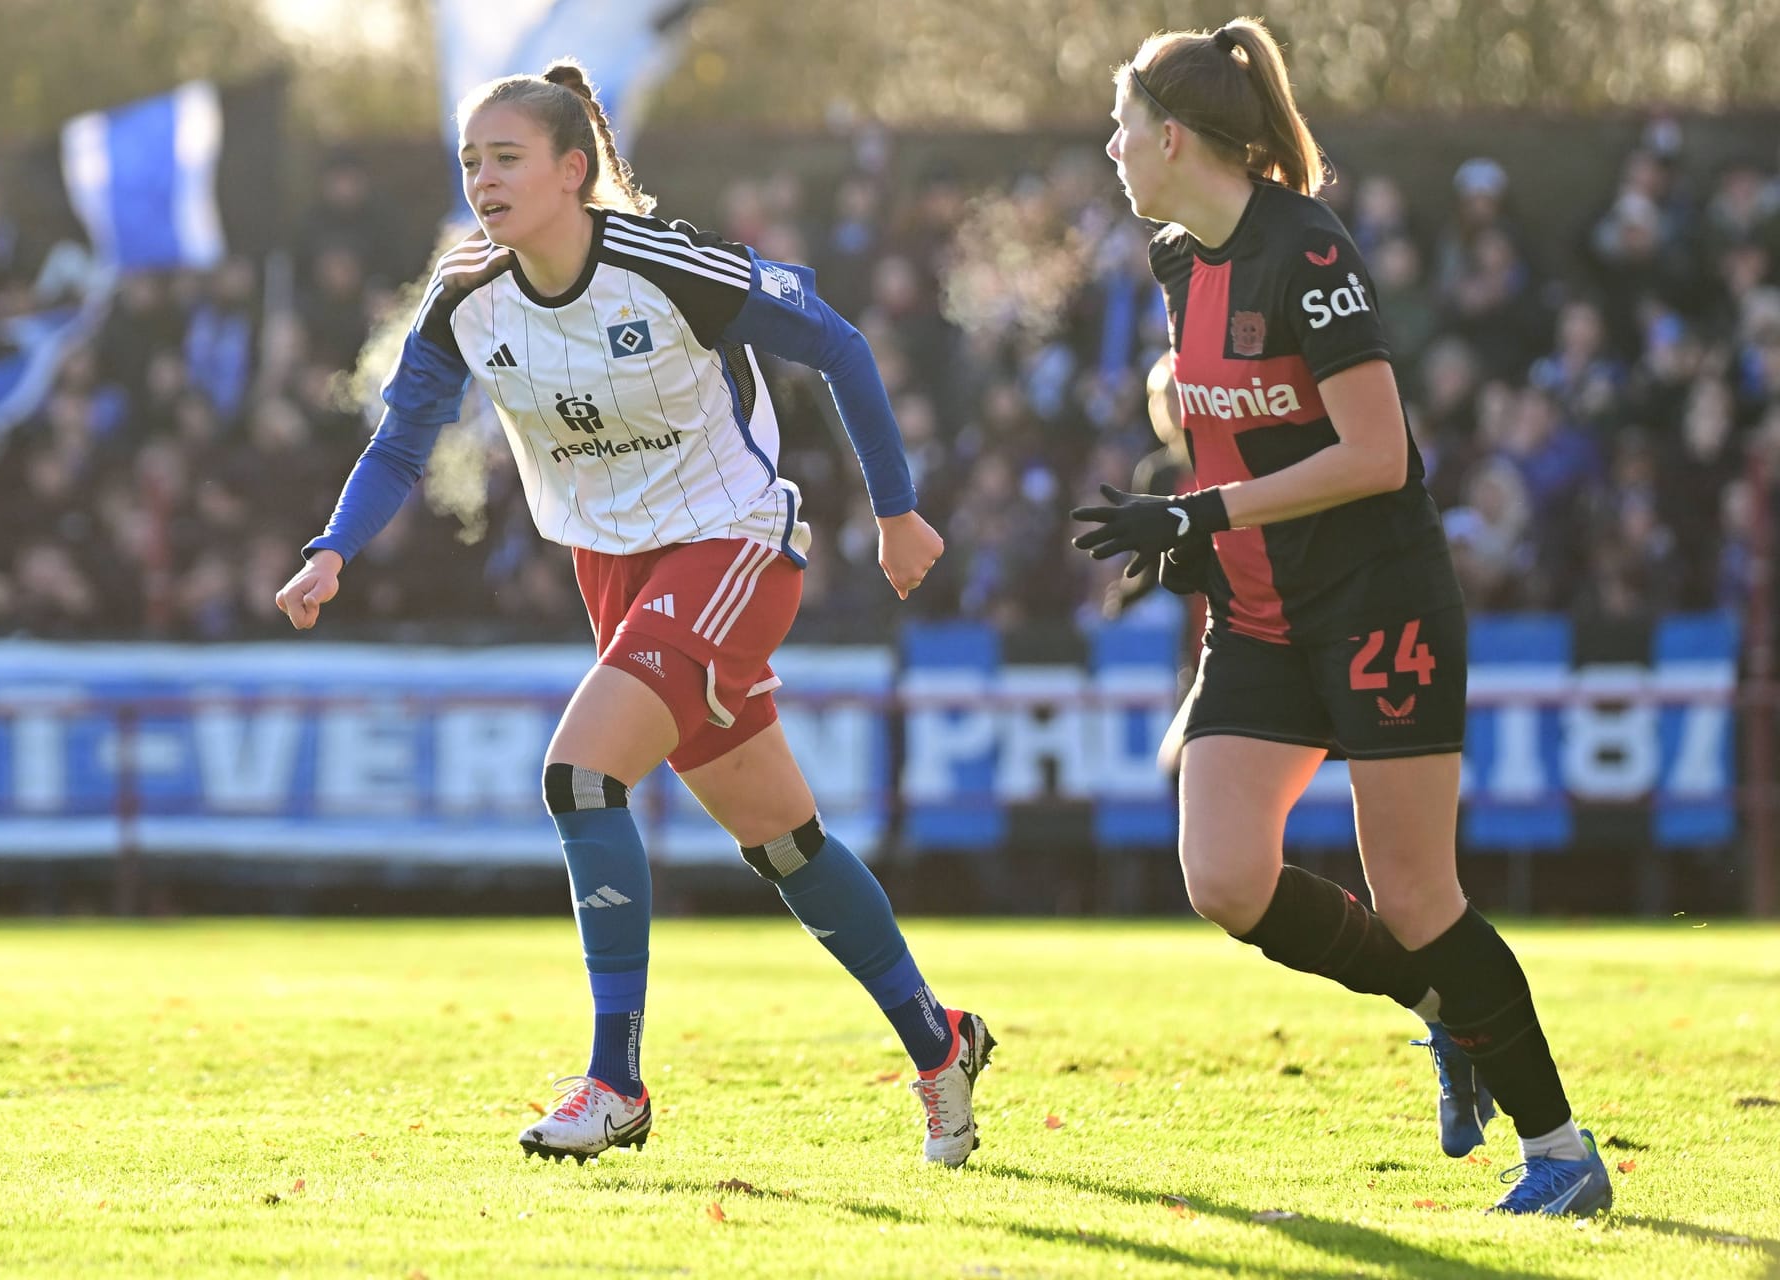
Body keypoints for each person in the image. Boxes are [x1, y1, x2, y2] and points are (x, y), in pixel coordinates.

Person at [274, 63, 993, 1167]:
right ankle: (941, 1041)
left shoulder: (664, 263)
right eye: (469, 162)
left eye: (505, 158)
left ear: (575, 170)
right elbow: (401, 443)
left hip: (734, 542)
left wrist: (897, 513)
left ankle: (616, 1081)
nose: (482, 180)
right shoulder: (465, 297)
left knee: (577, 773)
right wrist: (330, 548)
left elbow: (840, 343)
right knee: (785, 842)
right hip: (617, 576)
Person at [1070, 18, 1611, 1216]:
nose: (1108, 148)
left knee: (1417, 893)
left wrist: (1199, 510)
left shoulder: (1308, 252)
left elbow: (1377, 453)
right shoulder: (1175, 256)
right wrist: (1198, 540)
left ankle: (1565, 1152)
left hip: (1379, 603)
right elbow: (1223, 416)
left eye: (1119, 127)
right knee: (1223, 876)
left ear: (1170, 137)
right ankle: (1444, 1013)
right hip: (1263, 616)